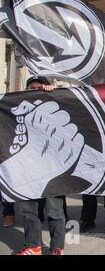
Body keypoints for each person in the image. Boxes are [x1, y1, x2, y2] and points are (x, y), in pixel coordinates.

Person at [17, 76, 65, 255]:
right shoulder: (19, 106)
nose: (35, 90)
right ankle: (33, 246)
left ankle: (57, 247)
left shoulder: (54, 106)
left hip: (53, 169)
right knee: (29, 210)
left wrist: (54, 93)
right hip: (28, 169)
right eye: (32, 88)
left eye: (39, 87)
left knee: (55, 211)